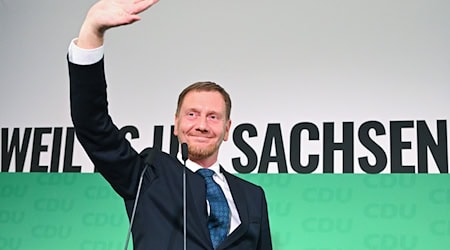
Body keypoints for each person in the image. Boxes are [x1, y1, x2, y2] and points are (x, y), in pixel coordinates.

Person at [67, 0, 272, 249]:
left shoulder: (253, 196)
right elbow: (93, 125)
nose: (202, 125)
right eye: (192, 115)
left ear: (227, 129)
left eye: (213, 117)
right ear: (176, 124)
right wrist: (91, 32)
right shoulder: (148, 175)